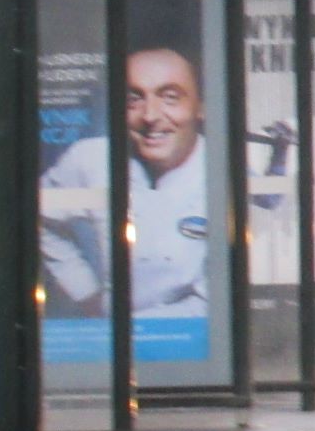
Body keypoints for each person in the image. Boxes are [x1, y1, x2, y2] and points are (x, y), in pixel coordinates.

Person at [39, 44, 212, 317]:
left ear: (201, 107)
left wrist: (126, 327)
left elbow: (211, 302)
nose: (150, 116)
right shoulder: (89, 158)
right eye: (134, 99)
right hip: (108, 337)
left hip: (189, 339)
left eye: (169, 97)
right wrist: (85, 291)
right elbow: (38, 215)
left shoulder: (219, 171)